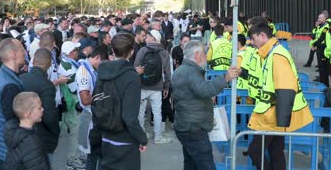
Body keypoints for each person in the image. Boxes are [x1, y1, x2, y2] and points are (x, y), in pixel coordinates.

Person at [247, 23, 314, 169]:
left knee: (255, 151)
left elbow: (286, 88)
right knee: (276, 153)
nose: (251, 42)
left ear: (263, 36)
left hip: (273, 115)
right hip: (274, 114)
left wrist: (281, 121)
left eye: (253, 38)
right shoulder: (272, 53)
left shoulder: (276, 55)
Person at [172, 41, 240, 169]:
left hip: (187, 125)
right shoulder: (190, 71)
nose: (207, 56)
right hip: (193, 128)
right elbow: (204, 89)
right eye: (204, 52)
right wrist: (225, 78)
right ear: (197, 55)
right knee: (205, 164)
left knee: (191, 163)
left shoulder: (183, 70)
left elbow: (194, 92)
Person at [96, 33, 148, 170]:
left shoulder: (102, 71)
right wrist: (142, 138)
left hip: (105, 135)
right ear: (131, 52)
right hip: (125, 140)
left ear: (112, 50)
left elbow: (96, 101)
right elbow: (129, 117)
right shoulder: (132, 77)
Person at [0, 38, 26, 169]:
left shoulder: (3, 75)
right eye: (22, 49)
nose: (25, 52)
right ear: (13, 54)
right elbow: (14, 123)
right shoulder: (10, 85)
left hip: (0, 148)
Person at [20, 48, 60, 169]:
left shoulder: (21, 78)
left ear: (34, 61)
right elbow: (49, 115)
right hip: (41, 138)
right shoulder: (46, 84)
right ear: (49, 64)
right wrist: (55, 132)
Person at [134, 30, 172, 144]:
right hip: (157, 86)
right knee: (157, 111)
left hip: (142, 85)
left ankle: (141, 135)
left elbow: (136, 67)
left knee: (140, 111)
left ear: (154, 39)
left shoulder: (143, 50)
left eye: (148, 37)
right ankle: (158, 137)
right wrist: (166, 87)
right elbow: (167, 73)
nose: (146, 38)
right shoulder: (165, 53)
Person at [75, 45, 108, 169]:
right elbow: (85, 100)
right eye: (102, 63)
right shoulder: (84, 72)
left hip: (95, 116)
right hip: (90, 117)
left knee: (95, 153)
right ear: (97, 57)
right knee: (93, 153)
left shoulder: (91, 69)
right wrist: (103, 95)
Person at [4, 92, 49, 170]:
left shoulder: (13, 132)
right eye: (39, 108)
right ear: (28, 114)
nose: (42, 109)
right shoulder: (32, 143)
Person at [57, 41, 83, 169]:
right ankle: (71, 160)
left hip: (69, 102)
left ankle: (76, 155)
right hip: (73, 104)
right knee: (75, 132)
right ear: (70, 53)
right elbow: (74, 89)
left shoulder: (67, 63)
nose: (77, 52)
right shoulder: (69, 68)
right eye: (75, 50)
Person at [312, 13, 330, 85]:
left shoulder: (326, 27)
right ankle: (321, 81)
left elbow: (322, 37)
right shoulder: (320, 26)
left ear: (325, 18)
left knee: (323, 67)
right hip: (319, 47)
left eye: (320, 18)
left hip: (323, 48)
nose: (318, 19)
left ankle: (325, 84)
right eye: (318, 18)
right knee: (320, 66)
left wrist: (314, 44)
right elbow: (316, 36)